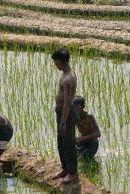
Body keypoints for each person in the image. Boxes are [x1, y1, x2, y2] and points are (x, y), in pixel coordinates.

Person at [51, 48, 78, 184]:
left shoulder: (69, 78)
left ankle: (73, 172)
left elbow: (67, 103)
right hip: (61, 112)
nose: (55, 65)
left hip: (66, 113)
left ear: (60, 61)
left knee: (68, 143)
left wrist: (63, 122)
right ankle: (65, 168)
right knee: (61, 142)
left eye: (55, 62)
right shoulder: (65, 74)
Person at [72, 96, 101, 161]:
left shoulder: (89, 117)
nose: (75, 108)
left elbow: (98, 133)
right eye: (73, 106)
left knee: (85, 158)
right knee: (74, 157)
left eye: (77, 106)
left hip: (92, 143)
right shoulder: (75, 118)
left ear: (82, 107)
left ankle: (95, 167)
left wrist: (82, 138)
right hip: (82, 143)